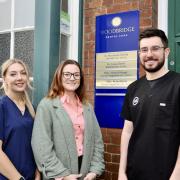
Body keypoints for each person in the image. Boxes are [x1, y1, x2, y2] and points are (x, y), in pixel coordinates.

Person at [118, 28, 180, 180]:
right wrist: (121, 171)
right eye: (144, 49)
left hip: (167, 172)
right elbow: (127, 131)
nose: (149, 54)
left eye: (155, 48)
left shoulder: (177, 84)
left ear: (166, 52)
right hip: (134, 172)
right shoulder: (133, 88)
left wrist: (176, 175)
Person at [31, 59, 104, 180]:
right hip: (59, 174)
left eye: (76, 75)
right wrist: (63, 175)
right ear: (59, 76)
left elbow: (97, 142)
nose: (72, 78)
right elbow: (41, 146)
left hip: (85, 172)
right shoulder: (47, 105)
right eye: (67, 74)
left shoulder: (87, 107)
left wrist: (94, 171)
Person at [0, 59, 41, 180]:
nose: (19, 77)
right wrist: (18, 178)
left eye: (23, 73)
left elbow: (38, 146)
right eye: (13, 74)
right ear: (4, 78)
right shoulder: (2, 106)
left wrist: (38, 174)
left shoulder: (32, 109)